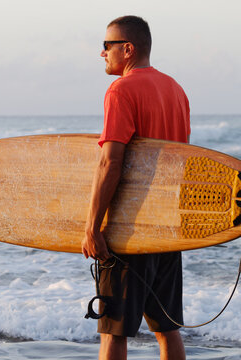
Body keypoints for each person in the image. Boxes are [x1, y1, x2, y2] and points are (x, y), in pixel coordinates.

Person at [81, 15, 190, 360]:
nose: (102, 53)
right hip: (167, 228)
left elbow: (111, 161)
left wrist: (92, 225)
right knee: (166, 329)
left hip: (130, 229)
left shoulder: (120, 90)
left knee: (114, 333)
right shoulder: (175, 89)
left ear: (127, 49)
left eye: (107, 45)